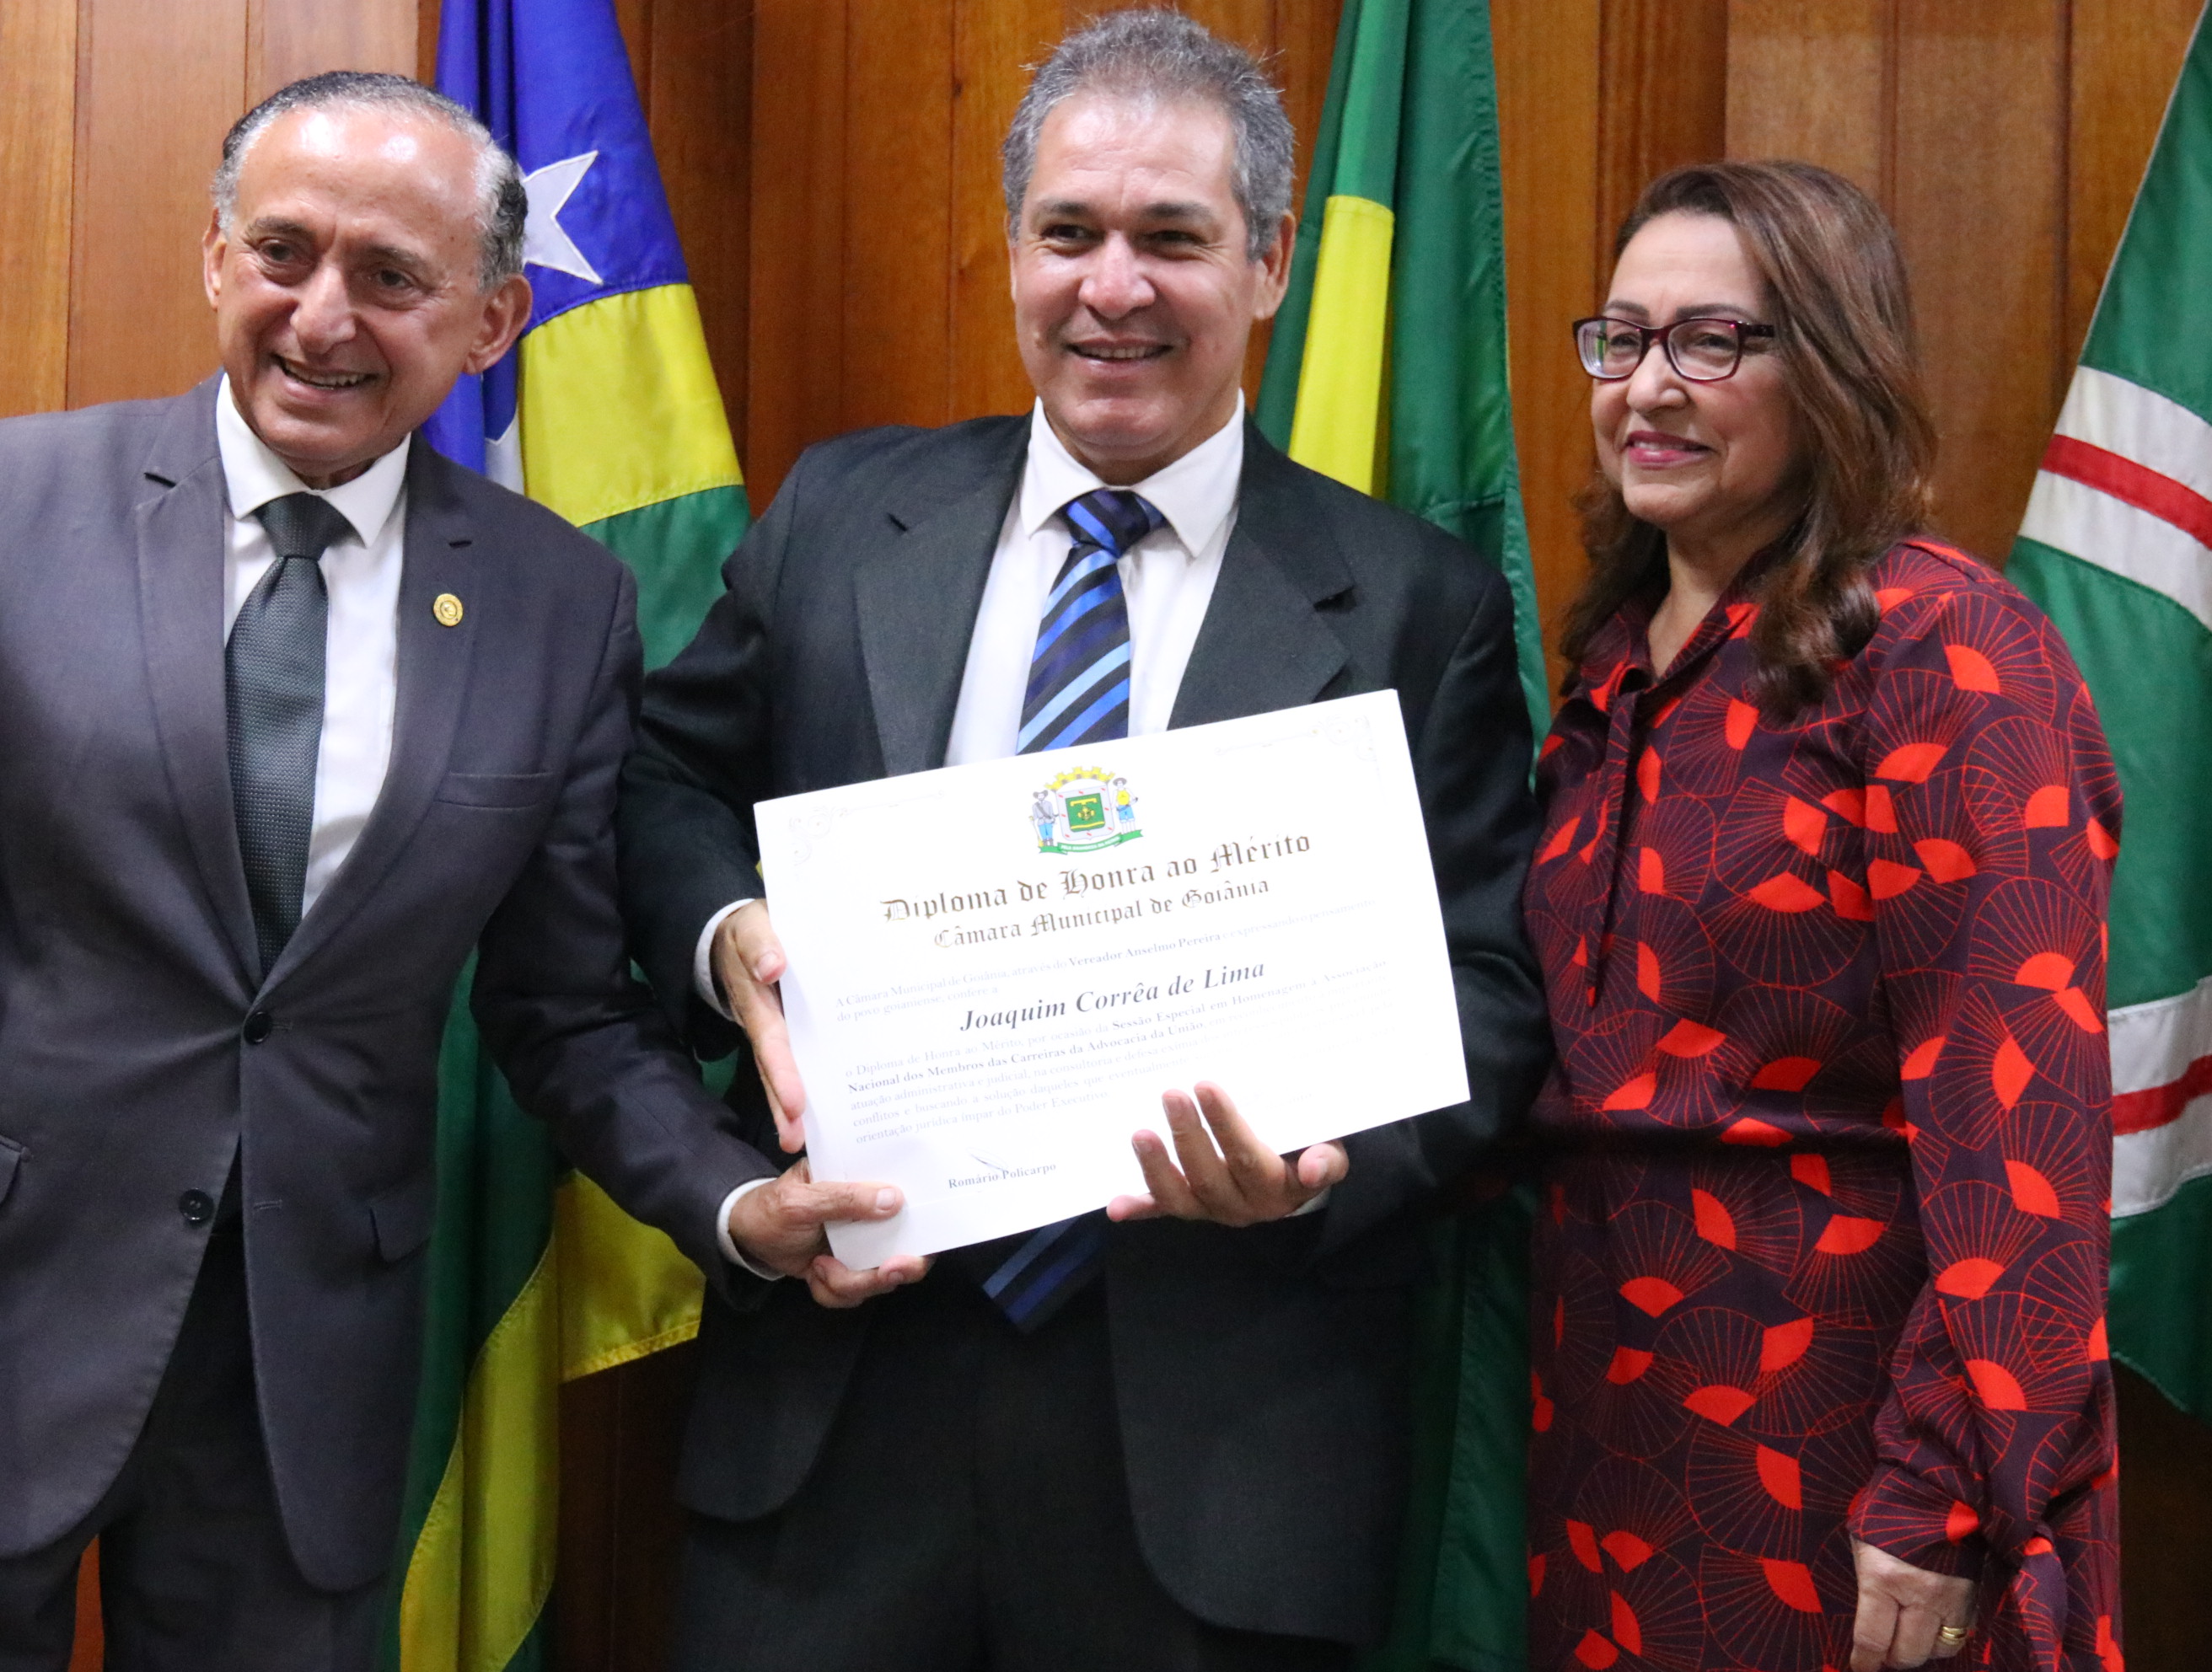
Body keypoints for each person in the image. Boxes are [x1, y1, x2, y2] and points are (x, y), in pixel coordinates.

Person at [0, 72, 774, 1669]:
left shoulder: (560, 608)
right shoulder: (1, 509)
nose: (322, 315)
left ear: (492, 322)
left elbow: (564, 1009)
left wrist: (738, 1200)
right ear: (216, 258)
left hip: (308, 1398)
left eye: (392, 275)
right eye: (283, 253)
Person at [616, 12, 1547, 1670]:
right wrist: (724, 937)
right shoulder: (840, 518)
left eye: (1171, 237)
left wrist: (1321, 1164)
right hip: (834, 1423)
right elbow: (659, 780)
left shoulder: (1421, 607)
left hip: (1217, 1465)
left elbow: (1488, 987)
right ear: (1014, 253)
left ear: (1268, 262)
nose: (1112, 288)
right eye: (1069, 233)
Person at [1524, 160, 2123, 1672]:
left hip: (1853, 1450)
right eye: (1622, 338)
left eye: (1712, 341)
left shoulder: (1945, 651)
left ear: (1834, 369)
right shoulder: (1610, 668)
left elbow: (2017, 1118)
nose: (1648, 387)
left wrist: (1936, 1485)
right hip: (1608, 1429)